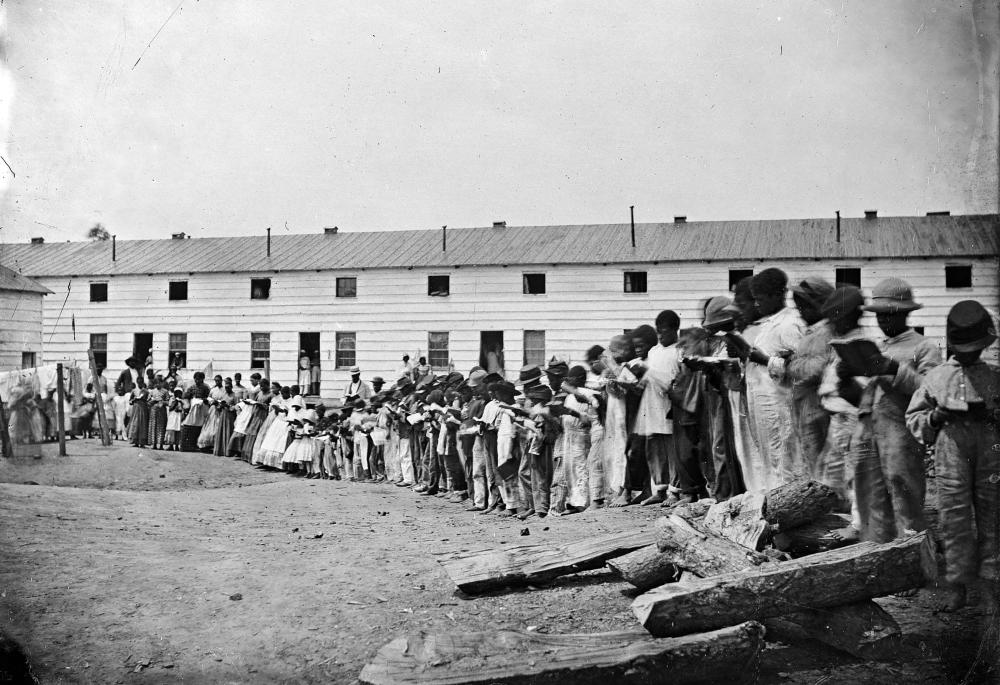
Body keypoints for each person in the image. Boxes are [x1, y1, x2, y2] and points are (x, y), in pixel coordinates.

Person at [906, 300, 998, 613]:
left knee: (993, 515)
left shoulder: (993, 376)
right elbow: (915, 417)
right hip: (951, 449)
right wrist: (937, 416)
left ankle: (991, 590)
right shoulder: (936, 378)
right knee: (953, 515)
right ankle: (957, 587)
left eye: (975, 348)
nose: (969, 354)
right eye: (964, 348)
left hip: (990, 450)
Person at [842, 278, 940, 543]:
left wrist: (893, 369)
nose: (884, 321)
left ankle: (915, 557)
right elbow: (867, 399)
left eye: (890, 314)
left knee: (904, 491)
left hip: (901, 430)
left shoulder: (923, 346)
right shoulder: (879, 347)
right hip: (871, 430)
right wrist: (845, 378)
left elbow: (931, 390)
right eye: (879, 315)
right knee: (871, 493)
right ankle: (879, 556)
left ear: (907, 313)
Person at [728, 268, 806, 489]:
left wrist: (763, 360)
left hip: (779, 404)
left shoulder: (789, 324)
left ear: (776, 296)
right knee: (769, 457)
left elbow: (800, 368)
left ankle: (786, 504)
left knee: (783, 457)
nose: (757, 304)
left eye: (760, 299)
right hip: (763, 404)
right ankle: (773, 503)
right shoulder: (769, 323)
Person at [784, 277, 837, 481]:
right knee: (811, 454)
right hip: (806, 405)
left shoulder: (826, 332)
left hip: (818, 406)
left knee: (820, 455)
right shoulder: (812, 332)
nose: (800, 311)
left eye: (804, 306)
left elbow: (815, 368)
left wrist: (792, 364)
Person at [630, 314, 684, 506]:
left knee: (671, 447)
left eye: (665, 331)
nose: (661, 336)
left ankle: (674, 491)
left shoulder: (678, 351)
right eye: (658, 331)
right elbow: (647, 377)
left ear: (674, 329)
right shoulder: (653, 351)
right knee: (654, 447)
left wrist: (648, 372)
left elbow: (673, 379)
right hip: (651, 403)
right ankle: (659, 488)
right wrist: (639, 378)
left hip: (668, 402)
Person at [180, 372, 210, 451]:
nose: (197, 381)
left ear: (202, 379)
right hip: (193, 408)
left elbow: (208, 397)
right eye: (195, 379)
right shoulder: (192, 387)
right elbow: (185, 396)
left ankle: (197, 444)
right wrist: (189, 402)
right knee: (190, 424)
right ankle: (187, 445)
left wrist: (204, 400)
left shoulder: (206, 387)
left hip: (202, 408)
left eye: (199, 379)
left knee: (200, 426)